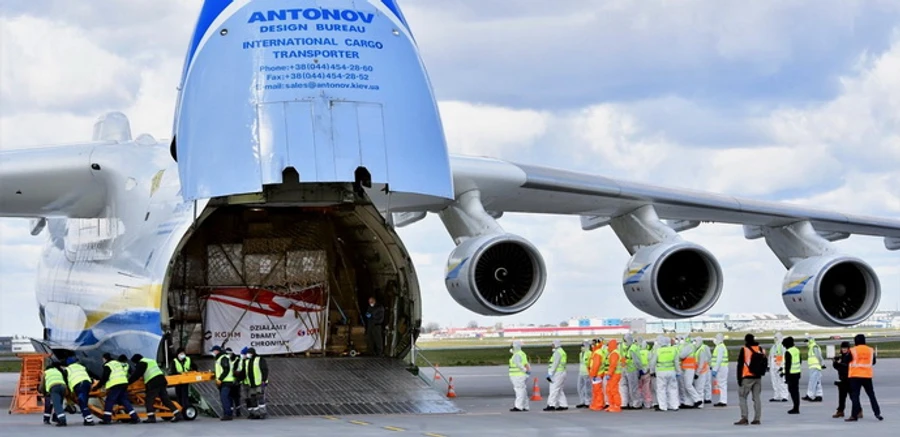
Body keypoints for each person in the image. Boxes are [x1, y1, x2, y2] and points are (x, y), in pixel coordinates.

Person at [129, 354, 183, 423]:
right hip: (161, 380)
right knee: (165, 400)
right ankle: (177, 414)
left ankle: (151, 418)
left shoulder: (142, 363)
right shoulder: (151, 361)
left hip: (154, 383)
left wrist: (128, 382)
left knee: (149, 400)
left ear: (136, 361)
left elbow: (136, 375)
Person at [94, 353, 140, 425]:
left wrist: (97, 387)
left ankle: (107, 419)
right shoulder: (118, 363)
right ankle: (135, 417)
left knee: (109, 401)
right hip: (124, 383)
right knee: (124, 401)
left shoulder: (108, 365)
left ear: (104, 359)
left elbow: (104, 378)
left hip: (115, 384)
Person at [846, 334, 882, 422]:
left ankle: (854, 415)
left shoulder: (853, 350)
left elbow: (847, 360)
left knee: (855, 396)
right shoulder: (870, 350)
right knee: (871, 395)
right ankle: (877, 413)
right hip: (867, 375)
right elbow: (873, 362)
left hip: (855, 376)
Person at [735, 333, 765, 426]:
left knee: (742, 397)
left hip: (747, 377)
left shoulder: (744, 349)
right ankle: (757, 418)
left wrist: (739, 378)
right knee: (757, 398)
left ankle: (744, 417)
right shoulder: (760, 349)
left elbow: (740, 365)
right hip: (758, 377)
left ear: (746, 340)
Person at [64, 357, 96, 426]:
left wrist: (70, 391)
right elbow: (88, 374)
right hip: (87, 384)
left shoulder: (67, 369)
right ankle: (86, 418)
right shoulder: (81, 367)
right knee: (84, 401)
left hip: (78, 385)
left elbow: (66, 381)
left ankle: (89, 420)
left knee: (82, 402)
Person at [650, 336, 679, 411]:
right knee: (672, 389)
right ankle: (674, 405)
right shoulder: (673, 350)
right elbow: (676, 362)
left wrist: (652, 371)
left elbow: (652, 362)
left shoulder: (658, 350)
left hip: (661, 372)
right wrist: (678, 371)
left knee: (661, 389)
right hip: (671, 371)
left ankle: (663, 406)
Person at [241, 348, 269, 419]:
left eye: (249, 353)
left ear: (253, 353)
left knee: (260, 398)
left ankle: (263, 413)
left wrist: (264, 379)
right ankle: (256, 414)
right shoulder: (246, 361)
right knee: (253, 399)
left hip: (259, 383)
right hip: (251, 383)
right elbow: (244, 372)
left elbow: (264, 370)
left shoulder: (260, 359)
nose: (248, 355)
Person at [212, 345, 237, 421]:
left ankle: (228, 414)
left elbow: (226, 369)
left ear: (217, 351)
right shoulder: (221, 358)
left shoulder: (223, 358)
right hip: (225, 381)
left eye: (213, 351)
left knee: (224, 398)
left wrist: (220, 379)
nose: (213, 353)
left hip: (226, 381)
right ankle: (228, 413)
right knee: (227, 398)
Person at [41, 361, 68, 426]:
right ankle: (57, 418)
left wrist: (44, 392)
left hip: (54, 387)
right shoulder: (58, 371)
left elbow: (42, 385)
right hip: (63, 387)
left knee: (57, 405)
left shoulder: (46, 372)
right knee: (60, 403)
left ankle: (62, 420)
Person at [544, 339, 568, 411]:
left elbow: (555, 364)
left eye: (553, 344)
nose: (552, 346)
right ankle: (563, 404)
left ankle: (551, 405)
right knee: (559, 389)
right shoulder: (561, 352)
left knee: (554, 389)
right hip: (561, 372)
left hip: (557, 373)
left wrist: (550, 374)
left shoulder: (557, 353)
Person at [508, 340, 531, 412]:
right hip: (521, 375)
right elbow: (526, 363)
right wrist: (528, 372)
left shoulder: (517, 355)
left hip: (517, 375)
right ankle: (525, 406)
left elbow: (519, 364)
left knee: (519, 390)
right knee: (523, 390)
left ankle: (518, 406)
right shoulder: (522, 353)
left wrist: (525, 370)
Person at [781, 336, 801, 414]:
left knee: (792, 391)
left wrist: (786, 377)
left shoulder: (788, 352)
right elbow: (800, 361)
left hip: (791, 374)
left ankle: (795, 408)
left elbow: (787, 366)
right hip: (797, 373)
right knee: (796, 391)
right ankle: (796, 407)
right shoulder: (797, 350)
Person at [831, 341, 851, 418]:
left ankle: (859, 410)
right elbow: (838, 368)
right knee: (841, 397)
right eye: (843, 348)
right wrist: (835, 362)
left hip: (849, 379)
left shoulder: (849, 356)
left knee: (852, 397)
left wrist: (839, 363)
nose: (844, 349)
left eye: (845, 348)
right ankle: (840, 411)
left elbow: (846, 367)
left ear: (848, 348)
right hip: (842, 379)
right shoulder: (841, 356)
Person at [803, 335, 824, 402]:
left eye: (807, 341)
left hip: (815, 367)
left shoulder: (814, 347)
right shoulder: (811, 347)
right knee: (817, 382)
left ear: (810, 340)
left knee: (813, 382)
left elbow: (819, 356)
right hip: (813, 367)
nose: (806, 343)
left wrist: (822, 364)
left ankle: (810, 396)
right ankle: (819, 395)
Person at [769, 332, 789, 402]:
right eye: (774, 338)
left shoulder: (782, 346)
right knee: (774, 381)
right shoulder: (773, 346)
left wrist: (782, 366)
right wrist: (769, 366)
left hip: (779, 365)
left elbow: (783, 357)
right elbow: (770, 356)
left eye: (776, 338)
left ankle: (784, 396)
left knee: (782, 381)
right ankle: (777, 396)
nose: (775, 339)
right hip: (773, 365)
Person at [604, 339, 622, 413]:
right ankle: (611, 405)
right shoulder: (612, 353)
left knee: (614, 390)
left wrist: (609, 374)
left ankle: (617, 405)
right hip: (613, 374)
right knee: (609, 390)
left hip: (615, 374)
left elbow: (613, 365)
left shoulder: (614, 353)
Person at [588, 339, 606, 411]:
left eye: (593, 344)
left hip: (597, 374)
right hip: (598, 373)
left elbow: (596, 365)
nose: (592, 345)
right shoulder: (597, 351)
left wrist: (593, 374)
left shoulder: (597, 352)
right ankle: (596, 403)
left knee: (597, 390)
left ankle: (599, 404)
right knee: (596, 390)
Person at [711, 333, 729, 407]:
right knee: (722, 384)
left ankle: (723, 401)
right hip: (723, 367)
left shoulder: (720, 347)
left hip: (721, 368)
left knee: (722, 384)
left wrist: (715, 369)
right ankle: (722, 400)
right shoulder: (720, 346)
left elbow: (719, 359)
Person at [575, 339, 592, 408]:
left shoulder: (589, 353)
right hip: (581, 372)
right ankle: (582, 401)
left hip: (587, 373)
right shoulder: (581, 354)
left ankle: (588, 402)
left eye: (583, 345)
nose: (582, 347)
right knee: (579, 387)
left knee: (587, 388)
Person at [638, 338, 653, 409]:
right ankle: (648, 403)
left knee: (639, 388)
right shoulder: (648, 352)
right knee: (647, 388)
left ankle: (640, 402)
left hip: (639, 372)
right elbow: (651, 362)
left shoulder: (637, 352)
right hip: (647, 371)